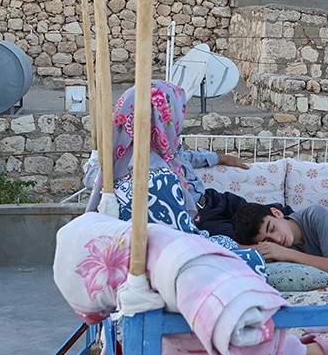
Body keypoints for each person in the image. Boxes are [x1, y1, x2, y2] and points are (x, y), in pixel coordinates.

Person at [85, 80, 265, 272]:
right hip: (180, 253)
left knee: (268, 216)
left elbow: (182, 158)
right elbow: (186, 241)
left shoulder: (128, 156)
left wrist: (219, 158)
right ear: (165, 118)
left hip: (205, 208)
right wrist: (246, 250)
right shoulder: (158, 178)